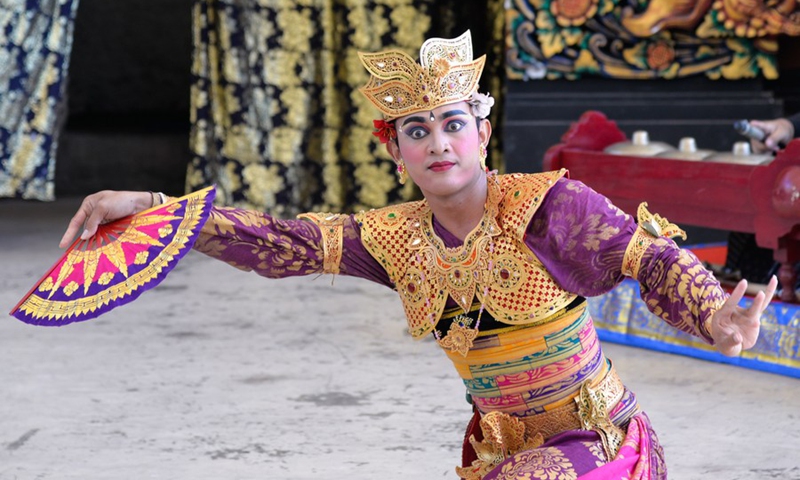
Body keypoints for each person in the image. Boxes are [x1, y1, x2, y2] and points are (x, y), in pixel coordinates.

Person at [60, 31, 776, 480]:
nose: (438, 142)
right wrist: (159, 208)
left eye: (453, 124)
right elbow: (280, 244)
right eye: (417, 130)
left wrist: (717, 318)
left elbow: (649, 258)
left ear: (481, 135)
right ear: (396, 153)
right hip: (500, 450)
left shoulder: (551, 207)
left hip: (601, 442)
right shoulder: (395, 239)